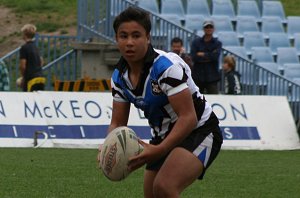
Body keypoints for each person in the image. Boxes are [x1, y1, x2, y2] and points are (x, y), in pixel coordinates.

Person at [98, 7, 223, 198]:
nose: (129, 42)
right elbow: (117, 123)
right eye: (123, 36)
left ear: (148, 38)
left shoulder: (165, 67)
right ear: (116, 39)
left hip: (200, 129)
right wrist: (108, 145)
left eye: (136, 35)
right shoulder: (119, 77)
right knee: (151, 193)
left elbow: (188, 118)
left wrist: (160, 150)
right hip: (163, 136)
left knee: (164, 187)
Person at [190, 20, 222, 94]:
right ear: (203, 29)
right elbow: (194, 57)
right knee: (196, 99)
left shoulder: (217, 43)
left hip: (212, 77)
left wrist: (202, 54)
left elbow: (215, 57)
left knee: (215, 99)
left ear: (213, 29)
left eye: (210, 27)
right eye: (206, 27)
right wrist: (209, 55)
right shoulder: (196, 42)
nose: (209, 29)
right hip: (198, 76)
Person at [19, 24, 45, 92]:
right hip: (40, 77)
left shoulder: (24, 48)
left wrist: (23, 77)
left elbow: (23, 66)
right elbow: (41, 61)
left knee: (28, 99)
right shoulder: (36, 47)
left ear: (24, 35)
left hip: (31, 79)